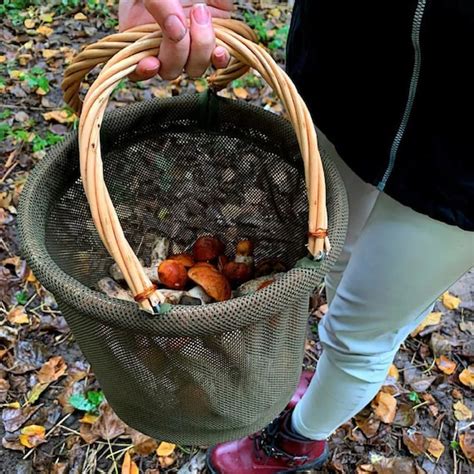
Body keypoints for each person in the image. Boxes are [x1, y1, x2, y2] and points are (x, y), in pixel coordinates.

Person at [119, 1, 474, 472]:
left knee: (360, 333)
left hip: (464, 156)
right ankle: (325, 377)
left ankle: (299, 439)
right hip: (346, 79)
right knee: (330, 252)